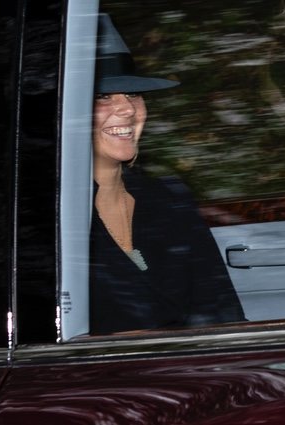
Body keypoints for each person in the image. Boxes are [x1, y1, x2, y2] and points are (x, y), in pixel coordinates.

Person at [89, 14, 246, 334]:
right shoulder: (43, 215)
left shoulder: (169, 199)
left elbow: (222, 312)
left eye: (132, 94)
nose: (128, 109)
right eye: (103, 96)